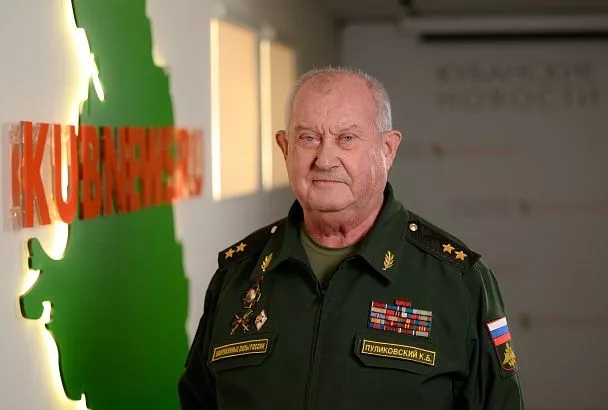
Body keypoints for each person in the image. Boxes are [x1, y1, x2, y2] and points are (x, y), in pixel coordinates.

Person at [178, 66, 524, 409]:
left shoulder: (457, 282)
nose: (325, 159)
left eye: (346, 138)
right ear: (285, 148)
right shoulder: (236, 275)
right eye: (308, 138)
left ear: (387, 149)